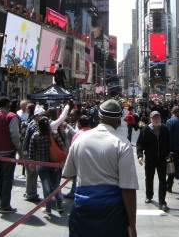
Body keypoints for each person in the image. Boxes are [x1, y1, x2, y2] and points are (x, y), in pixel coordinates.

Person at [62, 99, 138, 237]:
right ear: (119, 120)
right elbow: (128, 188)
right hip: (112, 213)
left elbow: (69, 174)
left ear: (99, 117)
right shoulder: (123, 144)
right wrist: (132, 224)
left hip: (83, 210)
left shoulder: (80, 139)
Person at [28, 116, 65, 215]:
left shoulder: (35, 135)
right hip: (54, 163)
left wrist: (32, 162)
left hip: (41, 163)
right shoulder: (54, 133)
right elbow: (61, 145)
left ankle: (47, 207)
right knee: (56, 184)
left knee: (45, 185)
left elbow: (31, 151)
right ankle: (59, 205)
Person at [136, 110, 170, 211]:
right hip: (150, 158)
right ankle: (149, 195)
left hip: (162, 158)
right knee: (149, 178)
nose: (156, 119)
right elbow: (139, 143)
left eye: (157, 117)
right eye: (154, 117)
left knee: (163, 180)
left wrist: (168, 153)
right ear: (151, 119)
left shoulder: (165, 129)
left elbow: (169, 142)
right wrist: (140, 155)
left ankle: (162, 202)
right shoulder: (146, 130)